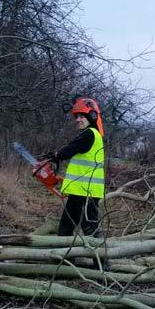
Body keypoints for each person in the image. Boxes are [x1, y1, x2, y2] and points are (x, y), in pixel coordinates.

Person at [48, 96, 105, 237]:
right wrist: (56, 156)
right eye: (76, 117)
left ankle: (100, 259)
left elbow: (69, 150)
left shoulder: (89, 134)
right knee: (67, 226)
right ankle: (66, 257)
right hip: (82, 190)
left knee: (88, 227)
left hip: (86, 191)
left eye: (81, 116)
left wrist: (56, 155)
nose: (77, 120)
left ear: (91, 116)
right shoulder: (91, 135)